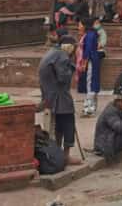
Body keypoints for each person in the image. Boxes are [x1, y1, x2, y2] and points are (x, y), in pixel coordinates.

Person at [38, 31, 82, 169]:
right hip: (58, 96)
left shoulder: (53, 52)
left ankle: (59, 153)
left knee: (59, 125)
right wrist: (72, 65)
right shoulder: (62, 56)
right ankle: (65, 155)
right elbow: (63, 78)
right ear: (70, 47)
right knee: (68, 123)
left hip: (49, 95)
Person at [76, 18, 101, 116]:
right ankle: (92, 106)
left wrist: (84, 63)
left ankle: (89, 109)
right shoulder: (90, 34)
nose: (79, 27)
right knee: (91, 83)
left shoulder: (90, 35)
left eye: (80, 25)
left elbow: (88, 50)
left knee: (90, 84)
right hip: (93, 60)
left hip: (91, 61)